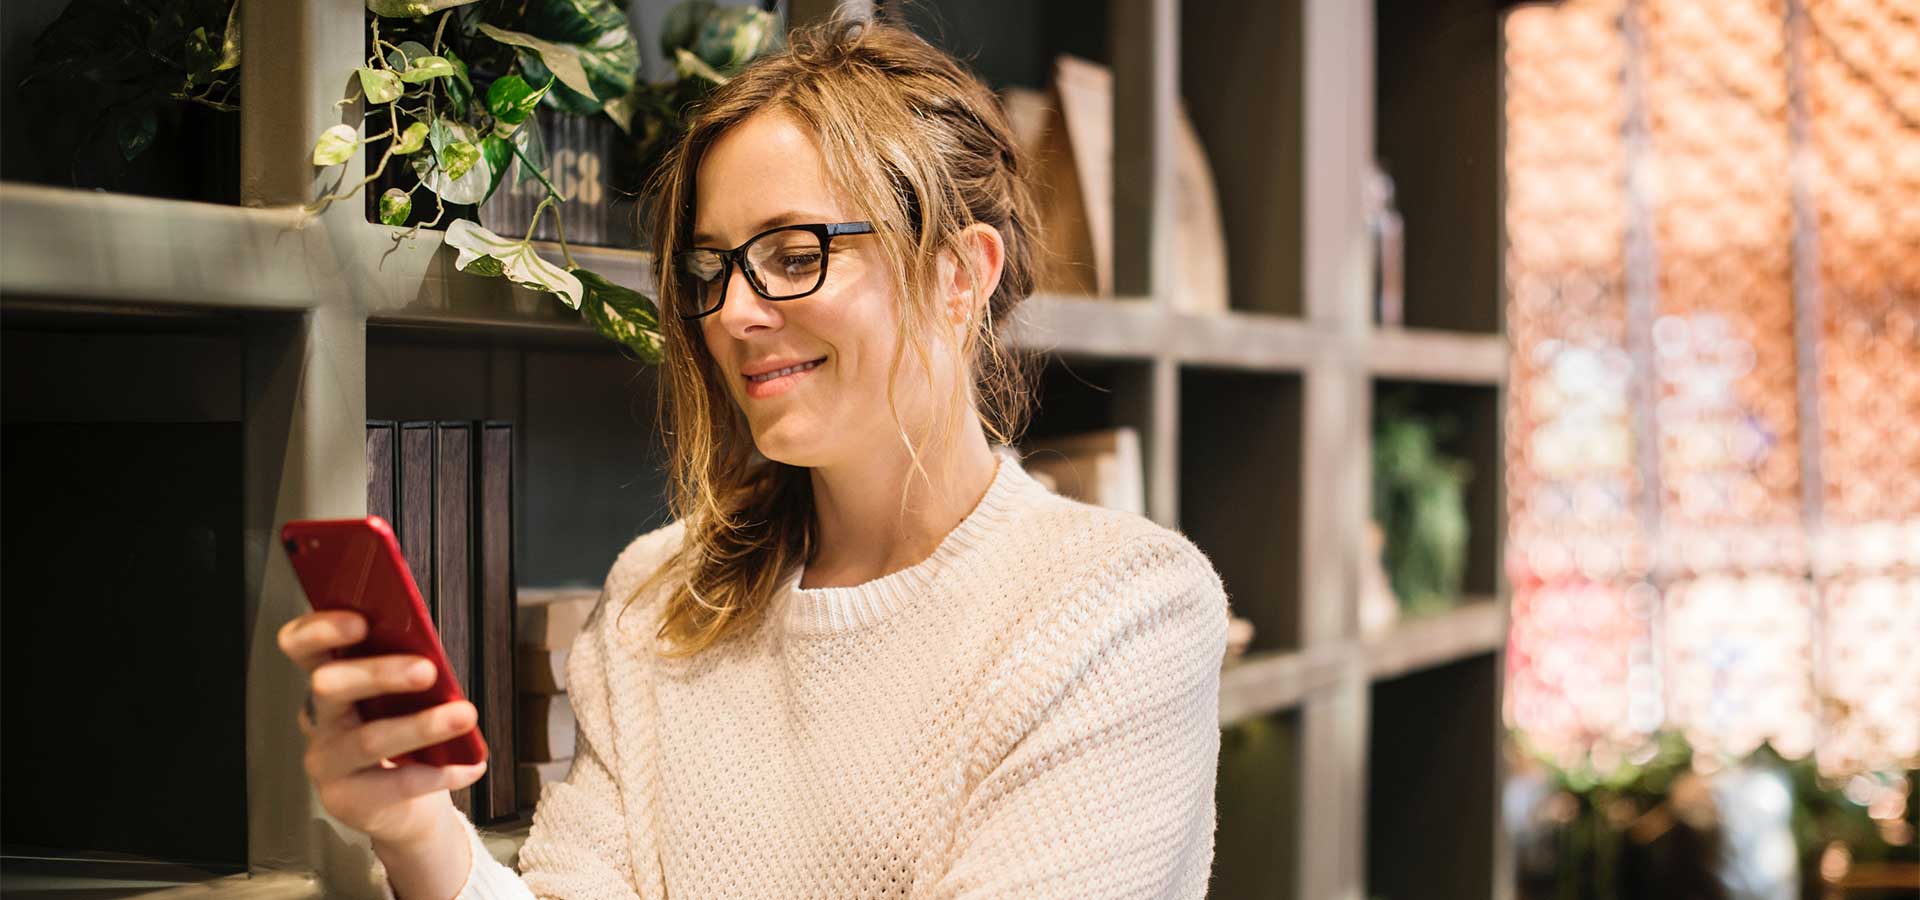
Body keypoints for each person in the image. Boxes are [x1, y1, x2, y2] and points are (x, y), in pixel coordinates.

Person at [277, 15, 1230, 899]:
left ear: (959, 273)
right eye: (712, 266)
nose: (733, 313)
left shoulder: (1121, 611)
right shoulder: (658, 599)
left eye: (793, 252)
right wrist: (416, 832)